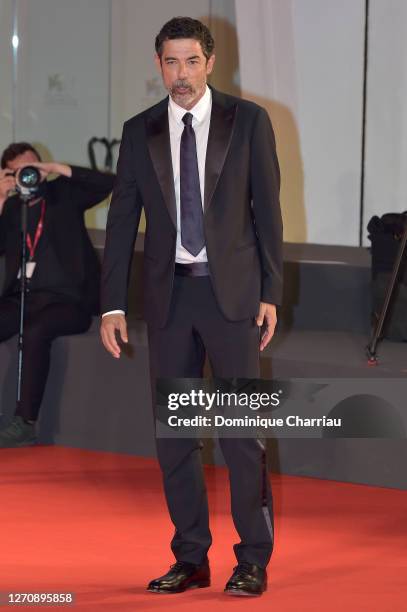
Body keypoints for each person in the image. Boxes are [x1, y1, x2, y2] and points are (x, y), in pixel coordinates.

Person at [100, 17, 283, 598]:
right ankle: (190, 556)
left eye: (191, 62)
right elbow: (123, 217)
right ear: (159, 64)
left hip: (232, 298)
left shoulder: (248, 120)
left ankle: (252, 558)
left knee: (240, 433)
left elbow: (268, 213)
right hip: (170, 297)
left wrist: (271, 291)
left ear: (209, 61)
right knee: (176, 436)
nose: (181, 75)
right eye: (170, 63)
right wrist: (112, 305)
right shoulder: (140, 130)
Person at [0, 142, 115, 448]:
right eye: (20, 171)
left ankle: (24, 423)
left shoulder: (63, 195)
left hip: (68, 300)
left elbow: (108, 183)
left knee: (35, 331)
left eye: (33, 167)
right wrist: (0, 198)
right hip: (23, 297)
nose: (29, 175)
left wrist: (55, 169)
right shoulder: (12, 208)